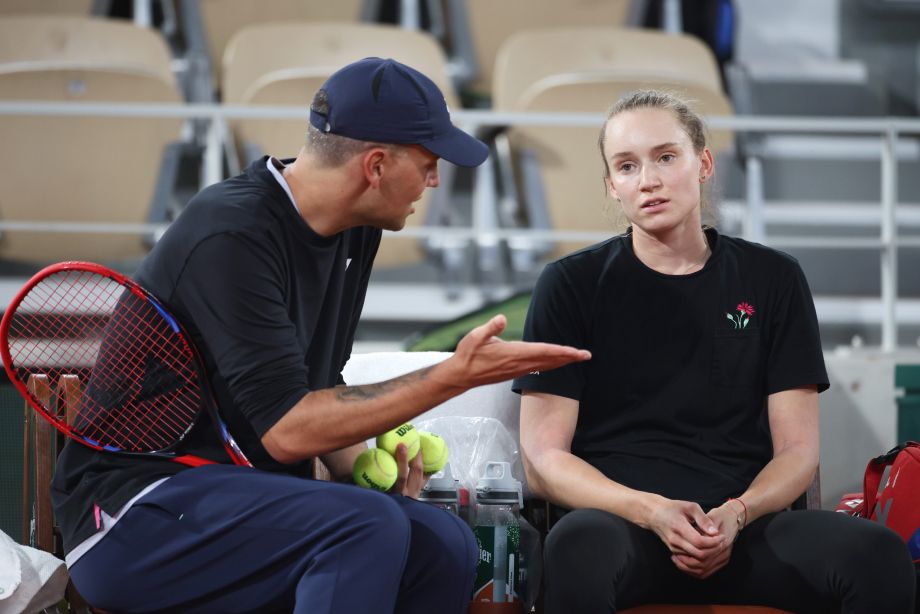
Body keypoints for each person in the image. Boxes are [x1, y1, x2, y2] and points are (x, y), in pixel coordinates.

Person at [51, 57, 591, 613]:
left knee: (442, 540)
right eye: (429, 164)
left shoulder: (355, 229)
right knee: (365, 526)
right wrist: (452, 376)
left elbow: (320, 385)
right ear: (376, 166)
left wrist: (363, 469)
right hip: (131, 514)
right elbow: (289, 430)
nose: (434, 181)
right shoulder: (230, 233)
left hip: (238, 502)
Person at [513, 90, 916, 613]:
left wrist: (737, 514)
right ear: (613, 186)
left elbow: (798, 451)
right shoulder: (569, 284)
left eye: (665, 157)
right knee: (574, 546)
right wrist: (650, 511)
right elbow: (544, 459)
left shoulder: (774, 278)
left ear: (703, 163)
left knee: (878, 554)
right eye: (627, 166)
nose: (649, 180)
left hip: (746, 530)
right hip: (624, 528)